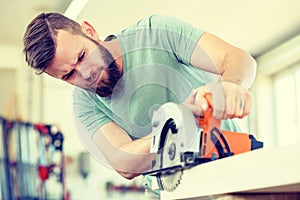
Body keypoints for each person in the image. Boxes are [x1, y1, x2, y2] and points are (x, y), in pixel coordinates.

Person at [23, 12, 256, 197]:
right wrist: (175, 123)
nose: (85, 74)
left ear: (90, 32)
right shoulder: (84, 102)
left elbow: (237, 58)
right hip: (167, 190)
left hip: (231, 168)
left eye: (82, 56)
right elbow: (123, 163)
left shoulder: (155, 32)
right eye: (68, 75)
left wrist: (230, 85)